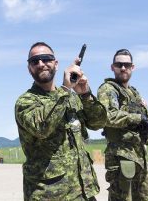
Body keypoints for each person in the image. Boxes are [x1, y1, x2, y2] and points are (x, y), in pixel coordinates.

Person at [15, 42, 107, 201]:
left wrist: (85, 94)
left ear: (56, 64)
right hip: (49, 195)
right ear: (29, 68)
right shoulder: (25, 102)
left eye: (46, 59)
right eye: (34, 61)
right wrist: (65, 89)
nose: (41, 64)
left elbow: (98, 122)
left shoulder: (71, 97)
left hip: (83, 192)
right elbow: (41, 128)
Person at [97, 49, 148, 201]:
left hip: (140, 157)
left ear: (132, 67)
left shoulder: (134, 93)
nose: (123, 68)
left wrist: (146, 122)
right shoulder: (108, 89)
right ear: (113, 67)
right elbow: (107, 116)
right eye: (119, 64)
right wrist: (137, 118)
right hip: (121, 156)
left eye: (126, 64)